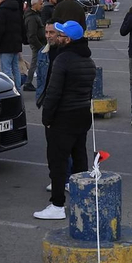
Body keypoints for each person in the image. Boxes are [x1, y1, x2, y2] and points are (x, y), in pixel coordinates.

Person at [34, 20, 95, 221]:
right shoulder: (88, 60)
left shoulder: (63, 60)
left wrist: (47, 118)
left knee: (58, 162)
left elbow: (53, 93)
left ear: (67, 40)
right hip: (82, 116)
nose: (56, 37)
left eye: (60, 35)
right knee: (80, 159)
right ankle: (82, 200)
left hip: (63, 118)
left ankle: (57, 205)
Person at [0, 0, 24, 94]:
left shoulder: (2, 12)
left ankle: (9, 91)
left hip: (6, 45)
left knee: (6, 70)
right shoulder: (17, 10)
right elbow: (22, 26)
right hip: (16, 44)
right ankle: (17, 89)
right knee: (16, 69)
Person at [23, 0, 47, 92]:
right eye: (41, 4)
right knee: (35, 63)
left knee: (36, 63)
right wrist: (40, 47)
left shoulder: (35, 15)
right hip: (38, 44)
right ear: (35, 4)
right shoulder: (32, 18)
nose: (42, 6)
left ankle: (29, 82)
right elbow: (32, 35)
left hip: (39, 43)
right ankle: (28, 82)